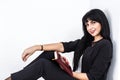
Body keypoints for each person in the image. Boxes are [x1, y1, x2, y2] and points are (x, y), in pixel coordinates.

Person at [5, 9, 113, 80]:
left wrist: (67, 71)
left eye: (93, 22)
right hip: (73, 77)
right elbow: (64, 46)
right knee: (50, 54)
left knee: (43, 65)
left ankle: (14, 78)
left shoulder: (105, 45)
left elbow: (92, 77)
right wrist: (37, 47)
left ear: (101, 22)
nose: (90, 27)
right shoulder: (86, 41)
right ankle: (20, 76)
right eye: (87, 24)